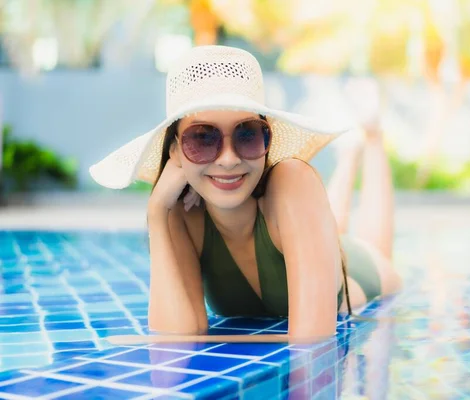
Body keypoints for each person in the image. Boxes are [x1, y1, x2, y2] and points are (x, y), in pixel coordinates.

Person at [90, 45, 401, 343]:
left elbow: (313, 350)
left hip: (362, 273)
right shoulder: (180, 215)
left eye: (247, 134)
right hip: (305, 232)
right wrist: (157, 211)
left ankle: (372, 137)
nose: (228, 159)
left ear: (267, 139)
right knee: (331, 226)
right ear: (175, 152)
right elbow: (177, 340)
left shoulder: (293, 182)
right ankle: (349, 156)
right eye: (202, 137)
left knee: (374, 249)